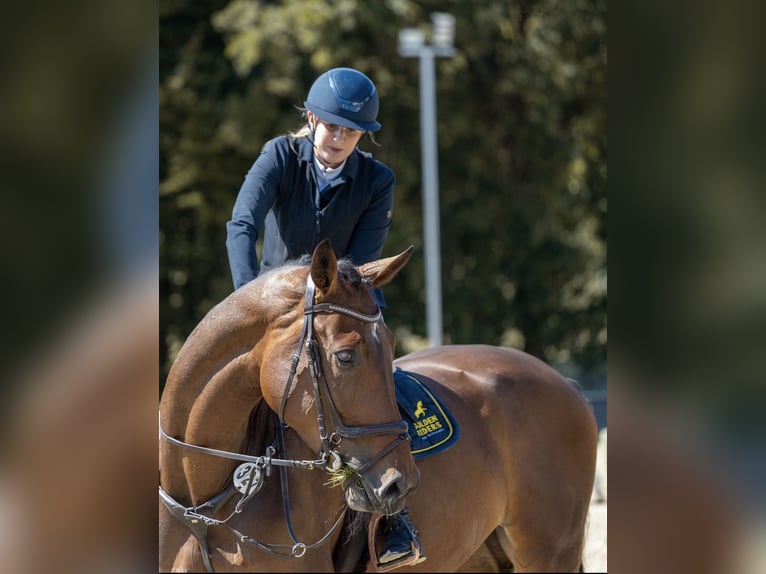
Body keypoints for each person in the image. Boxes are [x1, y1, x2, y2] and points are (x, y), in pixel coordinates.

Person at [225, 67, 423, 567]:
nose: (338, 139)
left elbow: (357, 267)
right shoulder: (278, 156)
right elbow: (241, 225)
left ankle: (394, 519)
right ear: (311, 118)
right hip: (272, 310)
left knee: (382, 390)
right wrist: (245, 305)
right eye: (332, 126)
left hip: (341, 309)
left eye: (350, 131)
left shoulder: (377, 180)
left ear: (362, 135)